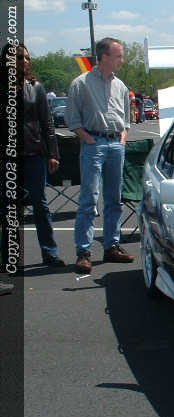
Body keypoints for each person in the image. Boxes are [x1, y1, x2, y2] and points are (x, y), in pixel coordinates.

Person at [65, 37, 134, 274]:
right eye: (118, 56)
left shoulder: (120, 85)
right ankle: (84, 252)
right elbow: (72, 119)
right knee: (89, 199)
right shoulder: (81, 84)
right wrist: (87, 138)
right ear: (104, 57)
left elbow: (126, 118)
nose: (122, 60)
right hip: (94, 144)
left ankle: (111, 246)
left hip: (116, 144)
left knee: (115, 199)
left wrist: (122, 136)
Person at [15, 44, 65, 266]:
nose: (25, 61)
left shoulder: (36, 88)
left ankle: (50, 251)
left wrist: (53, 153)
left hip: (34, 153)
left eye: (27, 57)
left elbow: (47, 123)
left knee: (40, 205)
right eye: (19, 57)